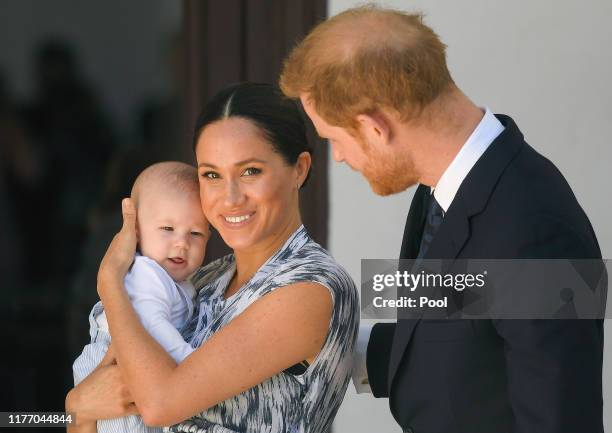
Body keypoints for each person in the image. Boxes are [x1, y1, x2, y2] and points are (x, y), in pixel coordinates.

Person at [280, 5, 603, 433]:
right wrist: (314, 341)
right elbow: (456, 336)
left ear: (375, 127)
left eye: (334, 140)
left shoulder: (536, 230)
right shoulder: (439, 189)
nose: (338, 157)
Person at [65, 82, 359, 433]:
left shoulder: (309, 286)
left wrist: (110, 283)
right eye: (212, 175)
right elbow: (104, 411)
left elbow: (159, 405)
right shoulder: (201, 281)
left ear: (300, 168)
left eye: (251, 171)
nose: (230, 197)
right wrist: (78, 408)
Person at [72, 161, 210, 433]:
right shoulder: (148, 274)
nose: (182, 243)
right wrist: (192, 365)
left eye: (195, 233)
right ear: (135, 232)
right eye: (167, 229)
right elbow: (152, 324)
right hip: (113, 366)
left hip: (127, 371)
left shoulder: (179, 281)